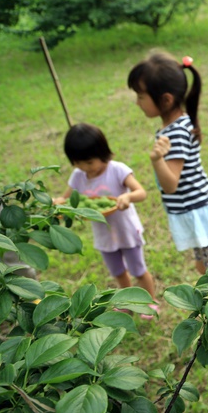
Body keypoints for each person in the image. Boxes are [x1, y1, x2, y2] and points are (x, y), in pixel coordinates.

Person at [126, 51, 208, 322]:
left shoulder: (175, 133)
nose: (137, 102)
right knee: (203, 266)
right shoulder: (177, 124)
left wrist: (157, 160)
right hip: (196, 215)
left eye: (140, 96)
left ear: (165, 99)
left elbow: (171, 184)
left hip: (203, 215)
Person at [54, 123, 158, 319]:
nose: (85, 168)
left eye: (89, 163)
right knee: (118, 272)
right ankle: (127, 302)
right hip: (104, 236)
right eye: (78, 163)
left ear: (102, 154)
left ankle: (149, 302)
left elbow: (141, 192)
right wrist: (57, 204)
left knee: (138, 270)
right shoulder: (78, 176)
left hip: (126, 231)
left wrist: (127, 197)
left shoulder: (117, 170)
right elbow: (66, 199)